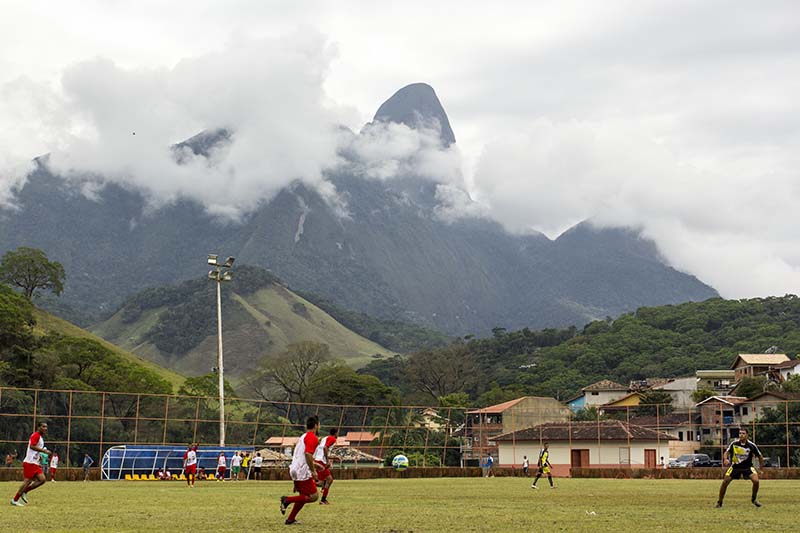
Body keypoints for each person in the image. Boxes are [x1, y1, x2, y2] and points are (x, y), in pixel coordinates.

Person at [279, 416, 320, 525]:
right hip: (302, 472)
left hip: (295, 470)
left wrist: (314, 464)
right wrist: (313, 470)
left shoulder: (303, 437)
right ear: (316, 425)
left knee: (303, 495)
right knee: (314, 496)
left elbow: (301, 456)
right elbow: (307, 454)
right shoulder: (312, 437)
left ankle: (291, 519)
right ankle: (287, 500)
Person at [716, 428, 763, 508]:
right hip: (735, 467)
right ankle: (719, 502)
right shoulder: (734, 444)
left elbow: (760, 456)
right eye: (740, 433)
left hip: (747, 467)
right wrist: (725, 459)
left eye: (743, 433)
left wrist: (761, 469)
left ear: (747, 435)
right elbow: (726, 452)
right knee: (725, 482)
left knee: (756, 481)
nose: (741, 435)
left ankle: (753, 499)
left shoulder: (751, 445)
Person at [10, 421, 50, 506]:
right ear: (38, 427)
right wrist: (44, 451)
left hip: (35, 463)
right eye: (43, 427)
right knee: (27, 481)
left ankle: (25, 491)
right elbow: (32, 446)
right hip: (30, 462)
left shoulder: (40, 437)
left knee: (42, 479)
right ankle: (15, 500)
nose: (45, 428)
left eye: (46, 427)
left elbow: (35, 449)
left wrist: (39, 457)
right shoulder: (35, 435)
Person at [313, 427, 339, 505]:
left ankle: (323, 499)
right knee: (327, 480)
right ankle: (305, 484)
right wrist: (327, 461)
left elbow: (322, 450)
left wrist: (332, 457)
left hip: (318, 460)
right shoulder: (332, 439)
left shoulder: (325, 438)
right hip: (321, 461)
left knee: (326, 480)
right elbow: (325, 448)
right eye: (338, 433)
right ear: (335, 433)